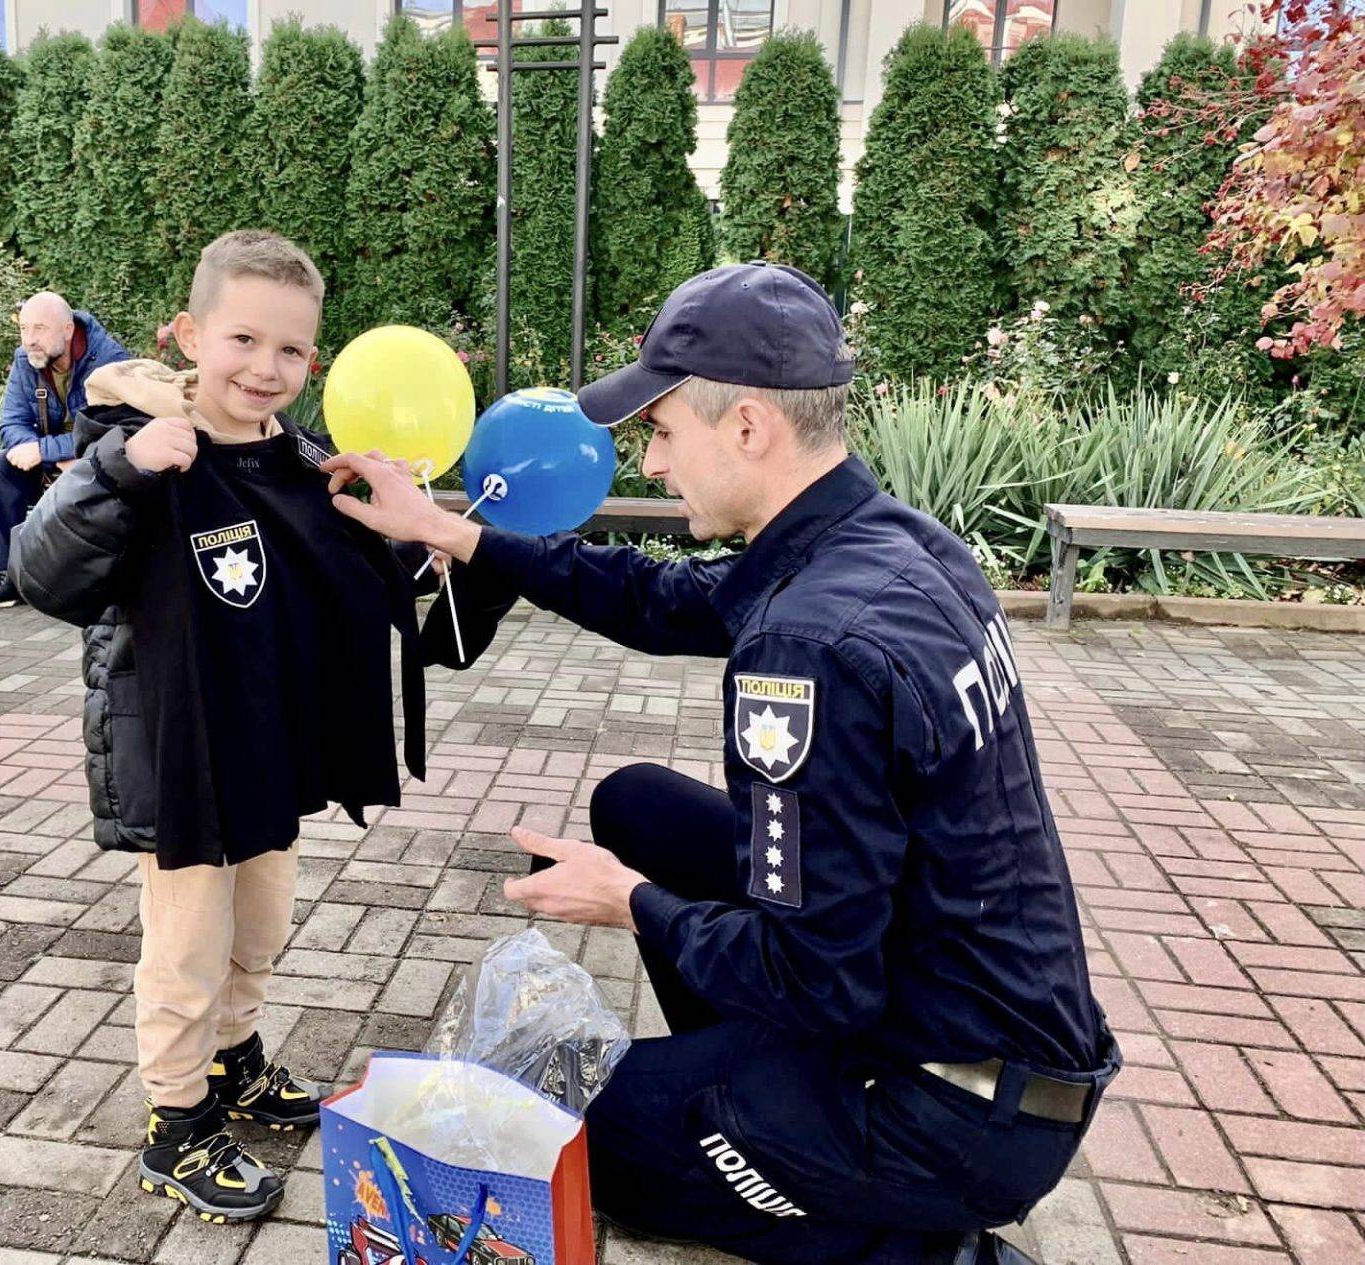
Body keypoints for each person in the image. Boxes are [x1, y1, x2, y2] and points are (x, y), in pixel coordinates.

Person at [323, 262, 1120, 1265]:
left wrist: (633, 903)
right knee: (640, 804)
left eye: (661, 432)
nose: (652, 465)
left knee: (562, 1137)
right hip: (975, 1024)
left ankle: (921, 1239)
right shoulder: (893, 543)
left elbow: (817, 977)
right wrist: (449, 529)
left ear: (747, 427)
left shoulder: (811, 647)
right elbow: (656, 600)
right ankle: (760, 1094)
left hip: (947, 1101)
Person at [8, 231, 493, 1223]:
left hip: (274, 744)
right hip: (182, 753)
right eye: (242, 339)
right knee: (188, 942)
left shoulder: (307, 458)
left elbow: (340, 576)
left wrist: (415, 550)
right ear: (189, 333)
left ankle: (234, 1056)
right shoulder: (140, 452)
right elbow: (40, 571)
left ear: (313, 359)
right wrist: (120, 472)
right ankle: (177, 1119)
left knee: (261, 925)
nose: (264, 368)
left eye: (290, 350)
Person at [0, 291, 129, 612]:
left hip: (97, 460)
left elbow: (111, 431)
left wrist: (46, 450)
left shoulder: (109, 360)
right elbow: (10, 424)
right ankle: (8, 579)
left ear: (67, 329)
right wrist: (45, 453)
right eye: (24, 329)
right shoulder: (27, 360)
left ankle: (96, 582)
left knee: (95, 464)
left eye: (39, 329)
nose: (29, 339)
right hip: (54, 460)